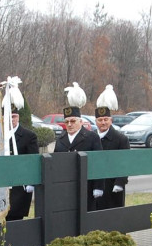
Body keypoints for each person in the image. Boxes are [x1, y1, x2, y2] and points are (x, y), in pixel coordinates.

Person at [54, 82, 103, 210]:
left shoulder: (92, 138)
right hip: (66, 186)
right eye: (66, 122)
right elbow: (55, 164)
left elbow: (98, 163)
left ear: (80, 121)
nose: (69, 124)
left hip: (86, 185)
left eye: (73, 121)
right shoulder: (60, 140)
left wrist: (98, 186)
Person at [5, 106, 38, 246]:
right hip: (5, 182)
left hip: (21, 183)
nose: (11, 120)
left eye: (14, 116)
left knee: (16, 214)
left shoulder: (28, 136)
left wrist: (31, 182)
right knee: (6, 214)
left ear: (18, 117)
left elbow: (33, 161)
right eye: (8, 117)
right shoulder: (0, 134)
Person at [93, 84, 129, 210]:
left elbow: (125, 163)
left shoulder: (121, 139)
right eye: (100, 120)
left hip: (112, 187)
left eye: (106, 119)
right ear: (96, 121)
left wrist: (120, 183)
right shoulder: (91, 138)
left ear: (111, 120)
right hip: (94, 186)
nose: (103, 122)